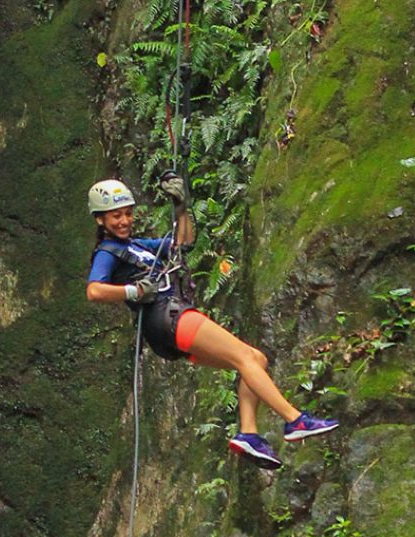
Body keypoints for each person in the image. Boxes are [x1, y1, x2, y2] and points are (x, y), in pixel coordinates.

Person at [84, 173, 339, 469]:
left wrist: (180, 206)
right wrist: (134, 290)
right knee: (245, 357)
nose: (125, 221)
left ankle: (249, 434)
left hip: (167, 325)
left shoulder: (139, 246)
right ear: (100, 220)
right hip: (167, 316)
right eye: (116, 216)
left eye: (128, 214)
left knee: (255, 359)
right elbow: (94, 290)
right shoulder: (107, 252)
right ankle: (295, 420)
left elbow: (184, 243)